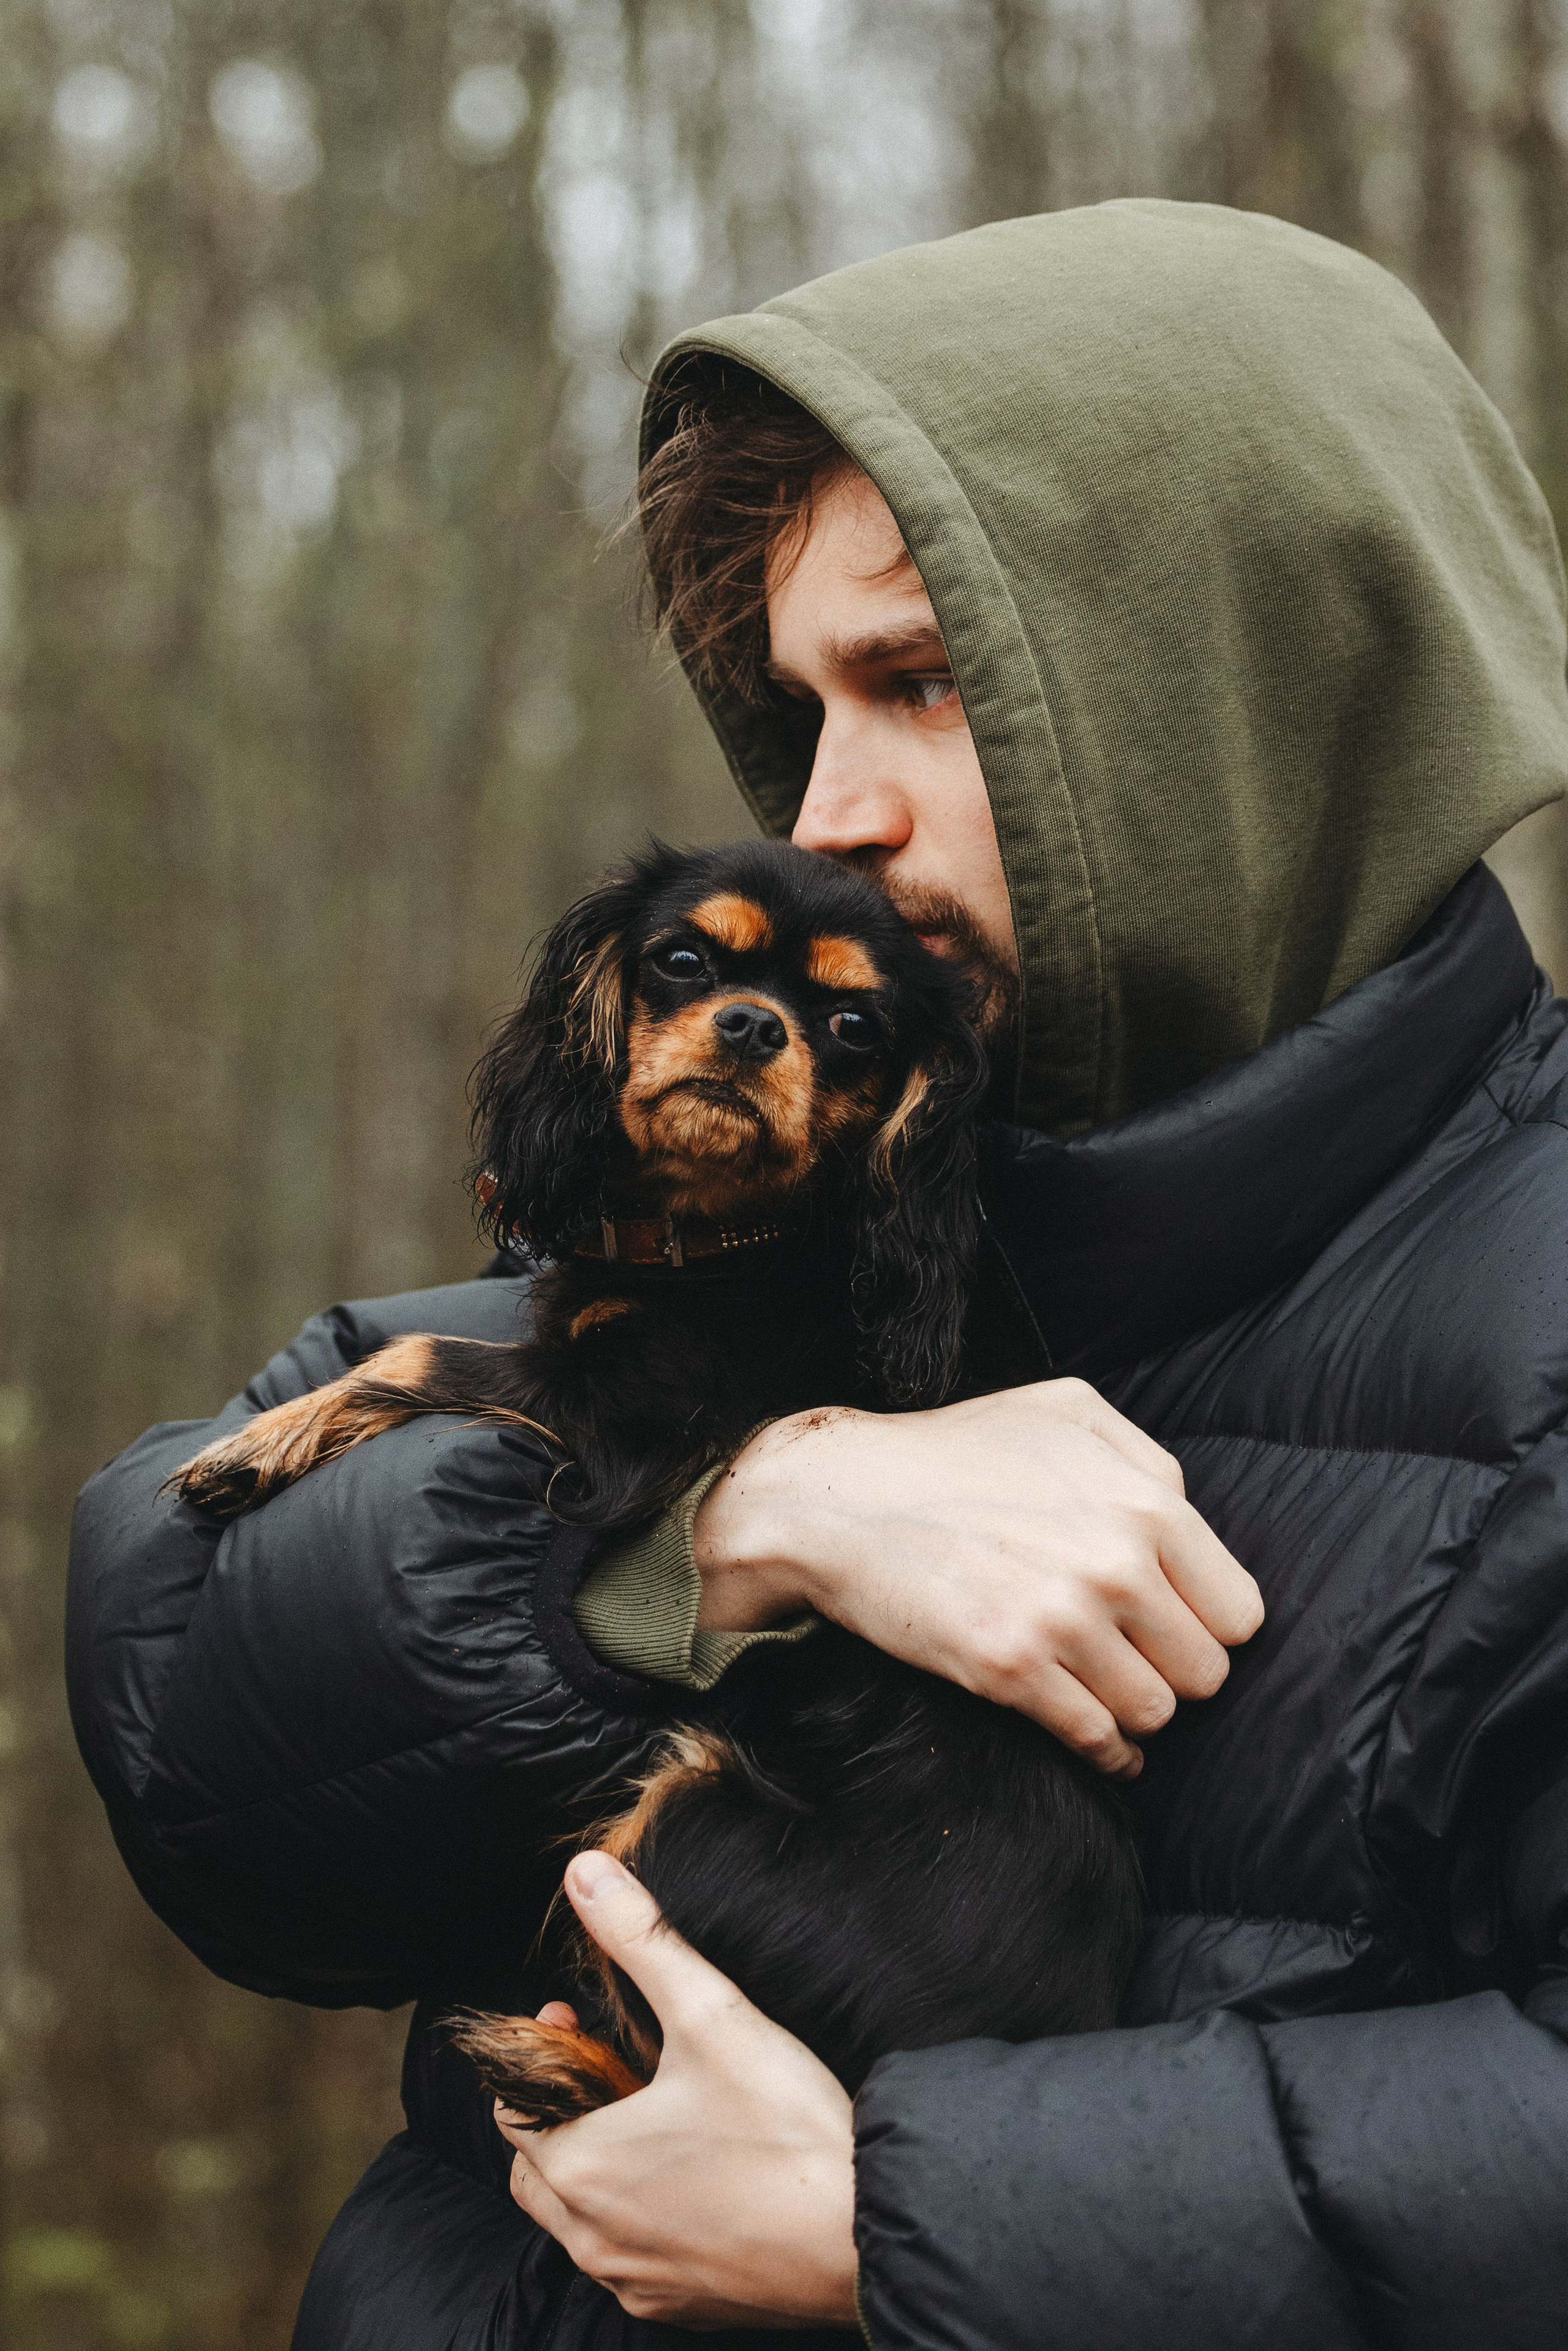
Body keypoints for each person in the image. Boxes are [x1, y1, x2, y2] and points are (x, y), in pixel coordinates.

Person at [66, 197, 1568, 2351]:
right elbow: (182, 1693)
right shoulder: (782, 1204)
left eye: (929, 684)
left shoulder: (1533, 1320)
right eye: (797, 704)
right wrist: (737, 1518)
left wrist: (913, 2223)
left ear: (1238, 692)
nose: (829, 811)